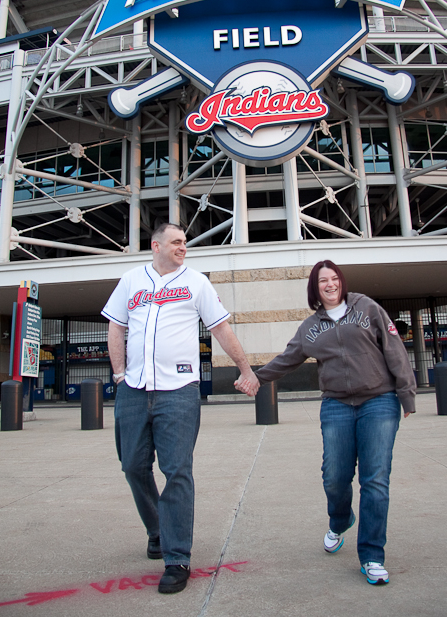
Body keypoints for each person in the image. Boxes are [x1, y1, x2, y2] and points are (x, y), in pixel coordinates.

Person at [102, 223, 259, 594]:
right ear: (155, 245)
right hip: (135, 391)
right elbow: (115, 327)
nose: (182, 248)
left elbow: (221, 329)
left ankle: (177, 558)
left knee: (177, 472)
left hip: (179, 392)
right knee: (132, 466)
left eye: (185, 243)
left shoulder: (197, 282)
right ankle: (157, 528)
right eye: (175, 242)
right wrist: (120, 375)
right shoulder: (130, 280)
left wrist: (246, 369)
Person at [238, 259, 416, 586]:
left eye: (334, 279)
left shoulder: (367, 308)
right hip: (336, 404)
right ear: (315, 288)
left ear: (342, 282)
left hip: (379, 400)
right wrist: (256, 378)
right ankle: (340, 519)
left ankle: (373, 555)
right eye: (323, 281)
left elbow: (394, 348)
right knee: (335, 476)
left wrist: (406, 392)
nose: (330, 285)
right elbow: (287, 360)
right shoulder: (310, 328)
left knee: (375, 479)